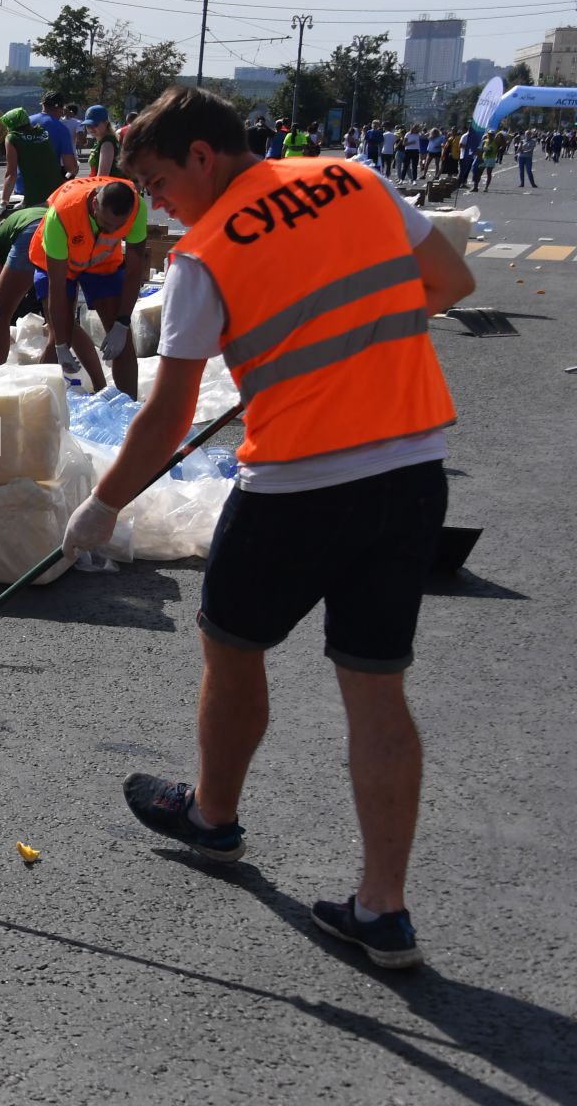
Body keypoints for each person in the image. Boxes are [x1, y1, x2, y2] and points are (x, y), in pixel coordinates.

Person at [62, 83, 473, 970]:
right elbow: (450, 281)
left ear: (203, 157)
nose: (160, 208)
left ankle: (213, 818)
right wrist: (355, 341)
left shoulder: (207, 256)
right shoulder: (355, 179)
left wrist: (103, 506)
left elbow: (168, 418)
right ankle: (383, 910)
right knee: (376, 685)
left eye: (162, 184)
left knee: (231, 644)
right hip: (409, 473)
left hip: (295, 485)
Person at [0, 175, 147, 396]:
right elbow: (58, 288)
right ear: (94, 206)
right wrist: (62, 345)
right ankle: (34, 403)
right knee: (59, 334)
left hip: (102, 260)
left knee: (121, 338)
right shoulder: (61, 216)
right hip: (58, 261)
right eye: (107, 224)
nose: (112, 231)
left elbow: (134, 271)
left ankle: (128, 412)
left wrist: (122, 322)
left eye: (119, 227)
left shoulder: (136, 207)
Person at [0, 203, 48, 335]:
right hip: (59, 227)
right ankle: (57, 348)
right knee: (60, 315)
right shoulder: (15, 223)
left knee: (0, 314)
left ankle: (2, 354)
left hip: (30, 234)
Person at [0, 106, 67, 208]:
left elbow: (11, 173)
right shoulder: (43, 133)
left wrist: (4, 202)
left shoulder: (13, 138)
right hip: (58, 193)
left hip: (36, 197)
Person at [33, 94, 81, 182]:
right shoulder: (61, 128)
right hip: (48, 187)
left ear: (43, 105)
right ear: (60, 108)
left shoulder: (26, 122)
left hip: (22, 185)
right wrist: (69, 176)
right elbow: (71, 167)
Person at [84, 104, 121, 176]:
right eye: (88, 125)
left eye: (95, 124)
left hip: (108, 186)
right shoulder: (101, 141)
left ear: (106, 122)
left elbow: (102, 177)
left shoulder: (107, 144)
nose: (91, 128)